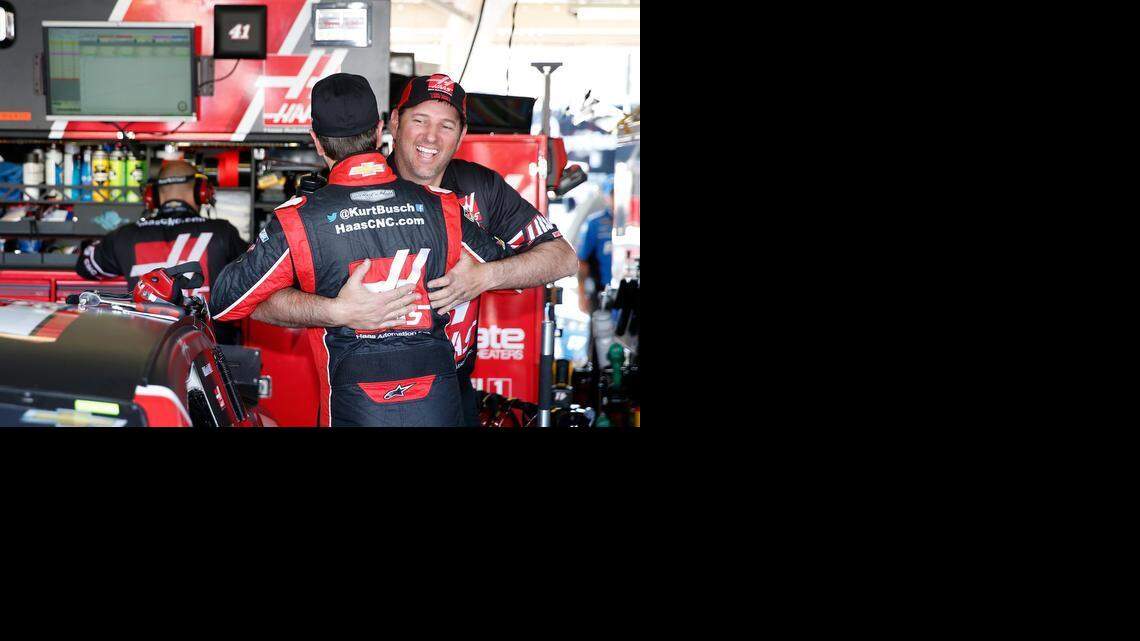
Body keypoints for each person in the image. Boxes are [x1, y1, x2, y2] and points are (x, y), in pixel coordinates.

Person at [250, 74, 579, 426]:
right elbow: (260, 300)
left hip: (449, 388)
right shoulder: (342, 191)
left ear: (462, 135)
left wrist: (485, 276)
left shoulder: (480, 188)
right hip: (360, 395)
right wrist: (335, 310)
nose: (431, 137)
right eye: (419, 120)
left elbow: (563, 257)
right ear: (393, 123)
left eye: (446, 125)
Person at [75, 159, 247, 342]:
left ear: (151, 196)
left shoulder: (125, 236)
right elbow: (256, 274)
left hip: (149, 354)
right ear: (202, 192)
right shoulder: (222, 232)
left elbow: (85, 266)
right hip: (212, 352)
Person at [576, 176, 615, 314]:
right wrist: (582, 295)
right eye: (613, 194)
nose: (616, 199)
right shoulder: (594, 223)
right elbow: (582, 261)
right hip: (601, 293)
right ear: (606, 196)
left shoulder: (634, 222)